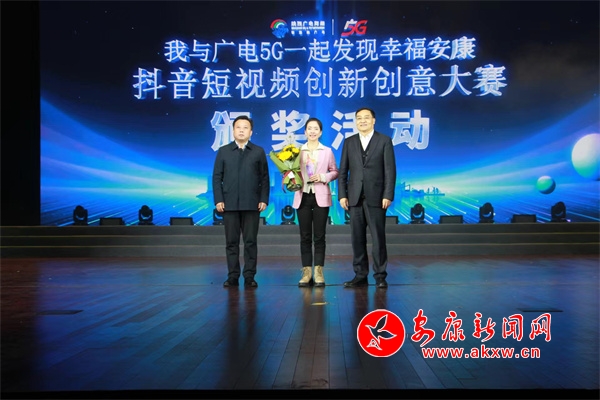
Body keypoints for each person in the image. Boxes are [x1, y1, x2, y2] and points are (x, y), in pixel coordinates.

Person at [338, 107, 396, 288]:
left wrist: (387, 194)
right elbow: (343, 171)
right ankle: (360, 275)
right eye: (359, 118)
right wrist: (342, 195)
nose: (362, 121)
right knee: (357, 239)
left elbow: (390, 171)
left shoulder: (384, 140)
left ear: (373, 120)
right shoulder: (349, 142)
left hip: (377, 198)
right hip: (354, 198)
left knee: (378, 238)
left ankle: (380, 276)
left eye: (366, 118)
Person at [212, 115, 270, 288]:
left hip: (252, 203)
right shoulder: (224, 151)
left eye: (245, 128)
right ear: (233, 131)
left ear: (251, 132)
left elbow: (264, 178)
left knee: (250, 242)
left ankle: (249, 276)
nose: (242, 130)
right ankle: (233, 276)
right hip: (229, 204)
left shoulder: (258, 151)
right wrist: (219, 199)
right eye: (238, 127)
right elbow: (217, 177)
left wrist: (263, 199)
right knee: (231, 242)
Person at [292, 117, 339, 287]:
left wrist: (323, 177)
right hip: (302, 195)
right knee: (305, 236)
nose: (312, 131)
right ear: (305, 132)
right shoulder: (296, 151)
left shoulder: (327, 151)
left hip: (321, 196)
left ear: (320, 132)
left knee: (319, 236)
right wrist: (290, 177)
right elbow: (290, 171)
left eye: (315, 129)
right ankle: (306, 272)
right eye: (309, 129)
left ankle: (319, 272)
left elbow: (335, 171)